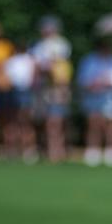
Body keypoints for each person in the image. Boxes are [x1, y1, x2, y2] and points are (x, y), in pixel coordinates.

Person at [77, 39, 112, 167]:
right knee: (94, 124)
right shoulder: (89, 61)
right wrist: (95, 83)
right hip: (93, 98)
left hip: (111, 98)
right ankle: (93, 151)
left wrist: (110, 82)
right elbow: (83, 81)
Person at [31, 15, 73, 163]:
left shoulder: (62, 44)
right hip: (43, 88)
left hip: (58, 87)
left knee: (57, 120)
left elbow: (58, 65)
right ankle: (50, 150)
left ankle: (59, 150)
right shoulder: (38, 46)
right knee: (46, 121)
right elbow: (37, 67)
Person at [2, 41, 38, 162]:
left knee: (25, 122)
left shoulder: (30, 59)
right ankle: (11, 150)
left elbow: (33, 76)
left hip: (26, 91)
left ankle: (28, 150)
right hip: (12, 91)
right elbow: (6, 78)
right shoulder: (10, 60)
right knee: (12, 122)